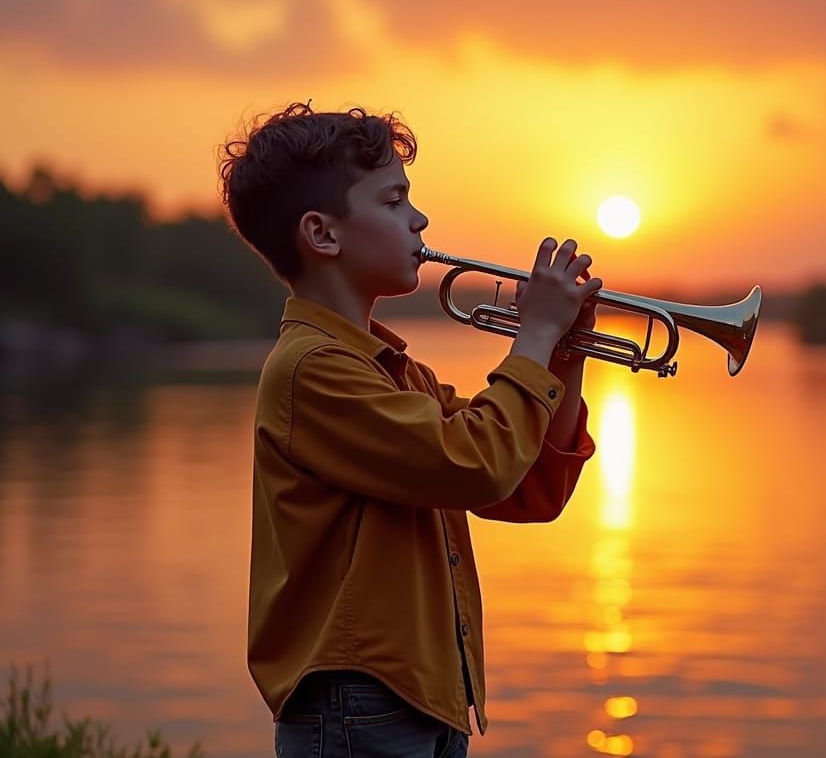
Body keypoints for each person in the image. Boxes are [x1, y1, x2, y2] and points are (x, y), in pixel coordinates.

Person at [218, 101, 602, 757]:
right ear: (323, 234)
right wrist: (534, 336)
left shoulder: (397, 374)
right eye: (395, 201)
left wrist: (563, 355)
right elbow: (474, 461)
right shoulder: (313, 371)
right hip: (358, 703)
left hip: (415, 701)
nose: (419, 219)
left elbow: (527, 486)